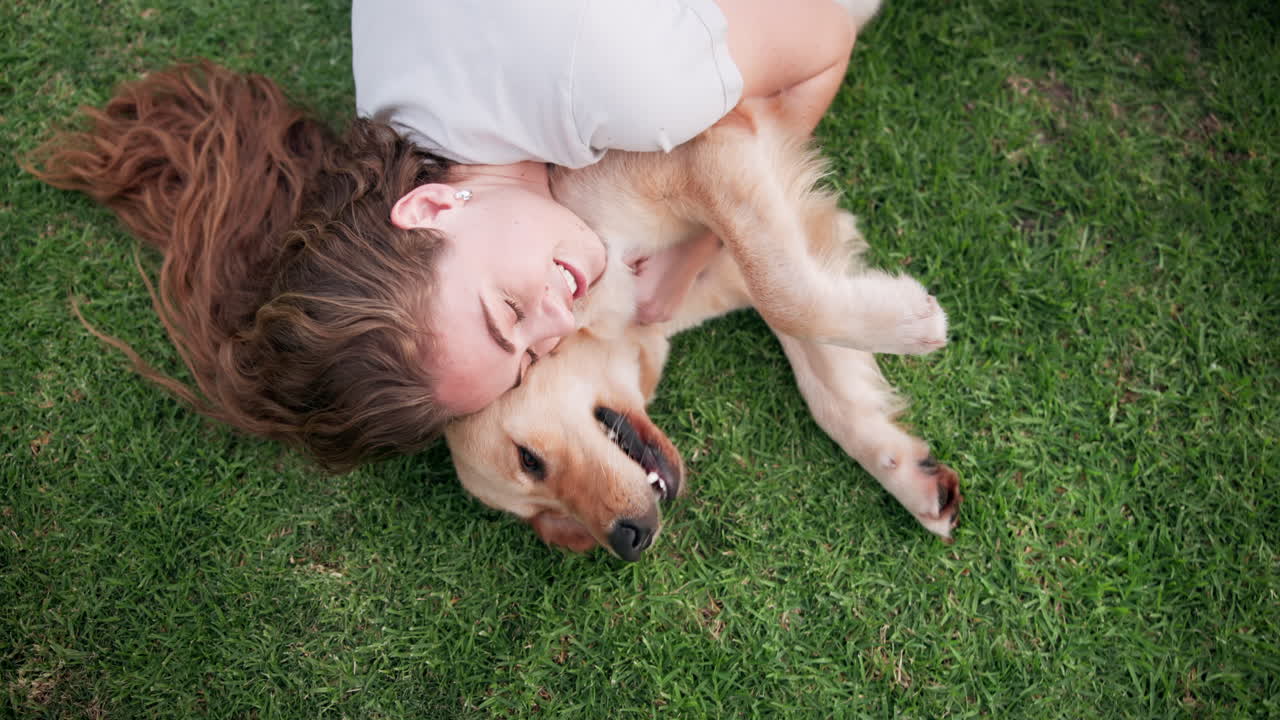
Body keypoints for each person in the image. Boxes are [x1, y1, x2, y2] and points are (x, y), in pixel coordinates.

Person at [28, 0, 869, 471]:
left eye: (507, 311)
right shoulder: (389, 82)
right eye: (533, 355)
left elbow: (822, 36)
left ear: (431, 211)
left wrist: (698, 249)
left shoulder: (624, 94)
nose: (559, 322)